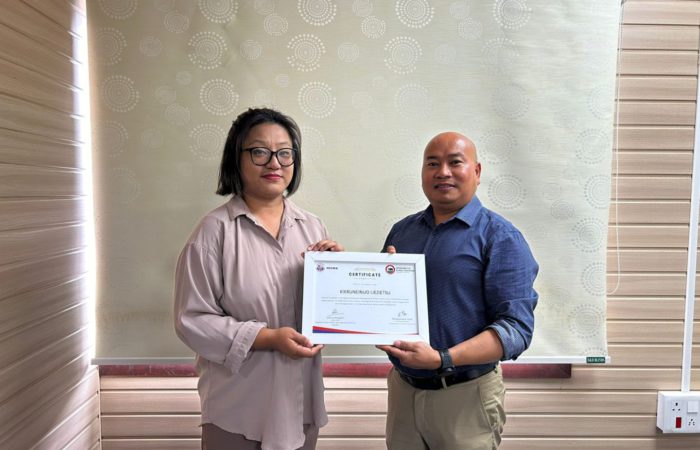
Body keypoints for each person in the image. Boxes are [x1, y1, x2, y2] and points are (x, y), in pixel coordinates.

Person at [174, 107, 343, 450]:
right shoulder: (214, 231)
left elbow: (325, 314)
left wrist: (340, 275)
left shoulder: (313, 227)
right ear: (236, 159)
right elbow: (191, 320)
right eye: (260, 152)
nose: (274, 163)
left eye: (285, 153)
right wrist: (267, 338)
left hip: (300, 404)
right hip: (238, 410)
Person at [377, 132, 538, 449]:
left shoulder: (501, 237)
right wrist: (338, 267)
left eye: (455, 162)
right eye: (432, 164)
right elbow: (380, 301)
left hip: (466, 396)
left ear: (476, 172)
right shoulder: (402, 231)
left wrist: (442, 358)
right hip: (403, 391)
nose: (443, 172)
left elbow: (516, 329)